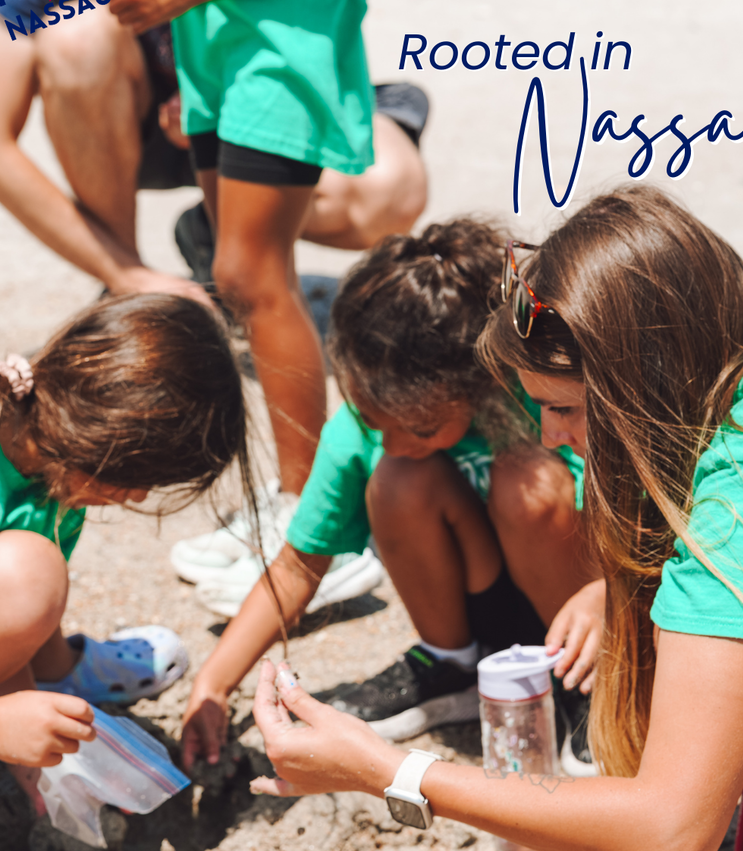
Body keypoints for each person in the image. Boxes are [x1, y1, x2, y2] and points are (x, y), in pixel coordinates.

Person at [248, 186, 743, 851]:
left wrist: (389, 770)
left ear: (645, 387)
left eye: (564, 406)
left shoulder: (739, 517)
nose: (550, 435)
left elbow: (669, 833)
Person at [181, 220, 600, 771]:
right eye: (379, 422)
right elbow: (298, 565)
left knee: (529, 482)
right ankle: (451, 664)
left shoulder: (543, 397)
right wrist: (212, 684)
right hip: (484, 601)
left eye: (420, 426)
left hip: (585, 607)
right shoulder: (369, 426)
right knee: (400, 477)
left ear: (478, 381)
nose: (394, 440)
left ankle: (594, 687)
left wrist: (609, 602)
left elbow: (641, 527)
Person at [0, 0, 427, 315]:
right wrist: (126, 271)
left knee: (390, 191)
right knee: (76, 39)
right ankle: (126, 288)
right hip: (137, 130)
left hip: (258, 109)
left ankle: (217, 232)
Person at [108, 0, 380, 499]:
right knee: (250, 281)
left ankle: (309, 520)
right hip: (213, 45)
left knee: (247, 275)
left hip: (282, 48)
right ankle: (294, 508)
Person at [0, 293, 256, 800]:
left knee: (29, 575)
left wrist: (33, 759)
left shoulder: (49, 454)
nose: (139, 496)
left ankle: (59, 677)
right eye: (139, 479)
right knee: (29, 572)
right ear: (106, 439)